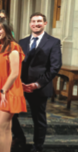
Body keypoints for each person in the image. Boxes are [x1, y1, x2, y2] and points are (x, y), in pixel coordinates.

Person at [11, 13, 62, 152]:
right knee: (11, 114)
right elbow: (17, 64)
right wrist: (18, 82)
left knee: (38, 119)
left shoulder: (53, 42)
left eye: (39, 21)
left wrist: (37, 84)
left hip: (39, 87)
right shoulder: (21, 42)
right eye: (33, 21)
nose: (36, 24)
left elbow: (55, 67)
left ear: (45, 23)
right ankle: (19, 137)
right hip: (20, 86)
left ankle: (37, 147)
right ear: (29, 24)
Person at [0, 18, 27, 152]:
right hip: (1, 89)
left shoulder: (13, 47)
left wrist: (3, 90)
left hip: (9, 90)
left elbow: (14, 73)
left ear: (6, 30)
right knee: (6, 127)